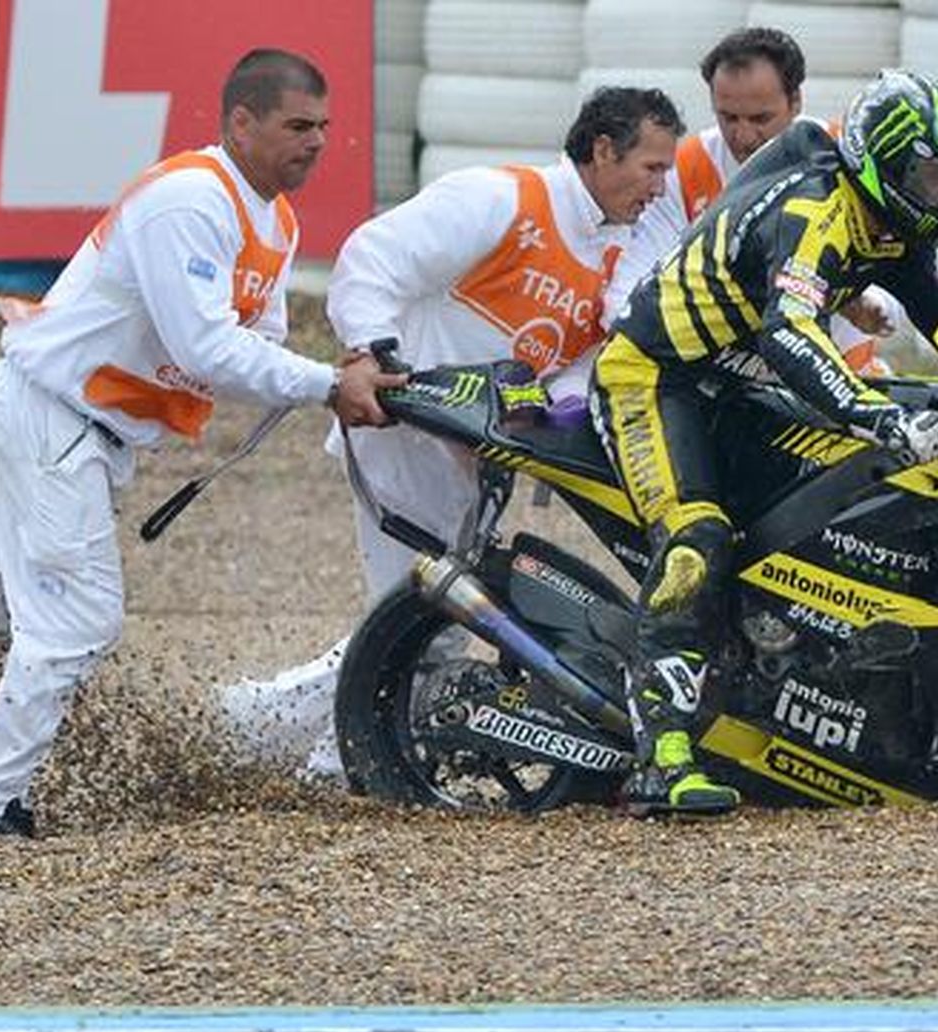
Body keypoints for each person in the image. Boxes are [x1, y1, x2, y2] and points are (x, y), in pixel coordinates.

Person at [0, 48, 405, 839]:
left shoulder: (272, 218)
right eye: (297, 125)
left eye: (324, 127)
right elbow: (210, 349)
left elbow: (259, 336)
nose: (315, 142)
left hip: (78, 427)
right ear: (241, 122)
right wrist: (323, 385)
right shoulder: (189, 202)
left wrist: (326, 376)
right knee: (78, 621)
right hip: (54, 415)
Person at [215, 86, 685, 778]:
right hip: (404, 429)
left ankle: (251, 725)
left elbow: (572, 365)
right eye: (651, 167)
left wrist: (567, 411)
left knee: (429, 615)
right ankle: (326, 763)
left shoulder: (617, 250)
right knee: (430, 617)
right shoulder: (499, 200)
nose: (662, 186)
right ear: (604, 150)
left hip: (472, 454)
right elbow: (370, 259)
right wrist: (375, 353)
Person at [591, 68, 938, 816]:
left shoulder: (892, 222)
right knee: (695, 538)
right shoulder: (815, 209)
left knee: (839, 494)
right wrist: (878, 414)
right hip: (653, 379)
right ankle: (662, 757)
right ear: (890, 165)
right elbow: (790, 334)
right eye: (935, 177)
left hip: (732, 389)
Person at [616, 26, 903, 375]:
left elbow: (905, 288)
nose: (744, 136)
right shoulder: (684, 170)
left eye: (760, 119)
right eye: (728, 118)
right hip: (720, 371)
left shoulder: (849, 160)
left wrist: (871, 305)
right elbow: (629, 289)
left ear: (796, 101)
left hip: (835, 366)